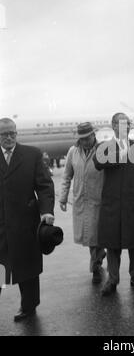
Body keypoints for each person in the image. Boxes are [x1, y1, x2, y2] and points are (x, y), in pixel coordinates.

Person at [0, 118, 55, 321]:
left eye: (12, 133)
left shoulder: (32, 155)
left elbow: (45, 186)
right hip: (1, 224)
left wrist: (46, 211)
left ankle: (29, 306)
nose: (9, 137)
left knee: (27, 268)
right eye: (4, 134)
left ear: (17, 133)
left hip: (25, 222)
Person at [93, 113, 134, 296]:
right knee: (112, 243)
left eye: (129, 123)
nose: (127, 126)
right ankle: (113, 279)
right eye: (122, 123)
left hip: (133, 201)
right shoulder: (104, 147)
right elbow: (98, 162)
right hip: (112, 203)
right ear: (113, 126)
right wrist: (122, 153)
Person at [59, 122, 106, 284]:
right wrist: (63, 197)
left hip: (98, 199)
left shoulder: (102, 150)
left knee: (94, 236)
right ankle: (99, 257)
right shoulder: (73, 152)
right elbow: (66, 176)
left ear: (94, 135)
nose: (85, 141)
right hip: (80, 199)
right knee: (89, 236)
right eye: (82, 138)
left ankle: (95, 268)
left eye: (88, 137)